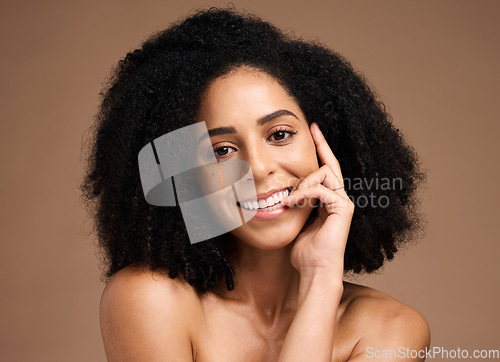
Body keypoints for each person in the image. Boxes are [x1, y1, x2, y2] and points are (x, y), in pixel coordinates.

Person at [81, 7, 430, 361]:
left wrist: (321, 278)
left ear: (328, 144)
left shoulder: (391, 329)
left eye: (279, 134)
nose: (258, 168)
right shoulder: (149, 301)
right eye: (222, 150)